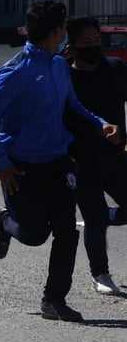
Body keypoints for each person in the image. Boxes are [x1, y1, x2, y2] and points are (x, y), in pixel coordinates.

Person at [0, 0, 119, 323]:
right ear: (56, 31)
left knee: (67, 232)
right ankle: (5, 223)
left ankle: (53, 300)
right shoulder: (16, 71)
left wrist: (100, 123)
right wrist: (1, 161)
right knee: (34, 233)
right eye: (64, 26)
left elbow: (74, 106)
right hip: (21, 166)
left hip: (57, 161)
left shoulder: (58, 66)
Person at [64, 16, 126, 295]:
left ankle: (108, 215)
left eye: (97, 41)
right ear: (73, 46)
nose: (93, 46)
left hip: (115, 157)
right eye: (86, 42)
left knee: (105, 215)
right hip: (80, 160)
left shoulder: (115, 68)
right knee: (94, 216)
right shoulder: (63, 76)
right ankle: (100, 274)